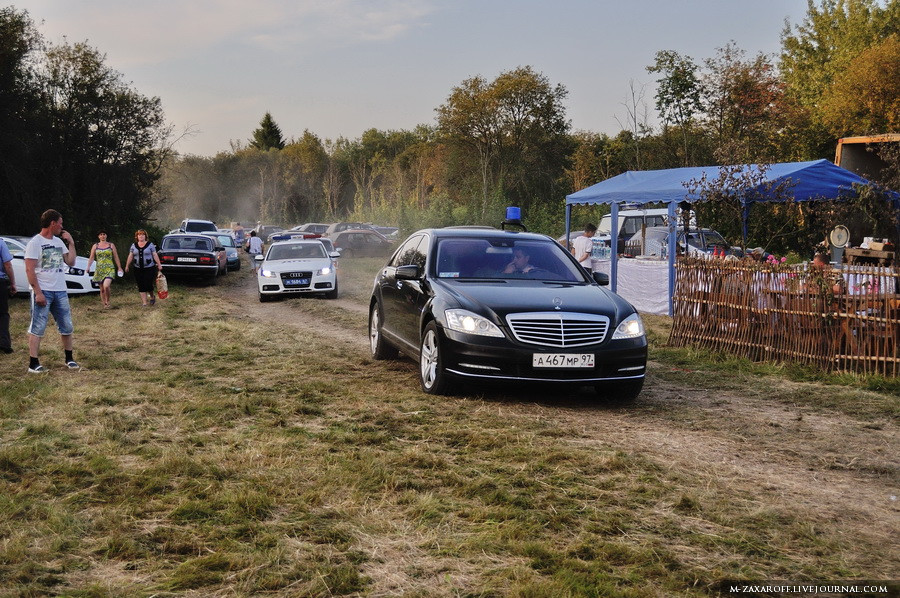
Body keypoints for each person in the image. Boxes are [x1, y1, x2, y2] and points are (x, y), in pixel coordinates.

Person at [24, 209, 78, 373]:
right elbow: (29, 270)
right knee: (38, 326)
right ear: (52, 223)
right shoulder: (35, 243)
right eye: (60, 223)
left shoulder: (58, 242)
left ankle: (69, 359)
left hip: (60, 290)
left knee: (66, 325)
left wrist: (71, 243)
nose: (62, 227)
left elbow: (71, 262)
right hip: (43, 291)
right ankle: (33, 363)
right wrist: (38, 292)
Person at [124, 229, 162, 306]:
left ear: (145, 236)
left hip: (149, 268)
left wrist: (159, 264)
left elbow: (154, 254)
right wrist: (127, 265)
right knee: (140, 284)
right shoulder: (133, 245)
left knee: (148, 284)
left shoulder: (150, 245)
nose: (141, 236)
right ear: (137, 236)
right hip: (137, 268)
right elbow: (130, 256)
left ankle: (152, 297)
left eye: (142, 234)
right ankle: (144, 302)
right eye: (139, 235)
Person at [86, 231, 123, 308]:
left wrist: (119, 267)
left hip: (109, 268)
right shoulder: (95, 246)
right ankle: (105, 304)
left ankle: (108, 301)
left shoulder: (111, 245)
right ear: (98, 236)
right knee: (102, 289)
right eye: (101, 234)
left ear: (106, 236)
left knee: (106, 286)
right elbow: (92, 257)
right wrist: (88, 267)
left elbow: (116, 257)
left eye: (104, 234)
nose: (102, 236)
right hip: (99, 269)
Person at [0, 239, 17, 354]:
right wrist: (12, 283)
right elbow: (7, 264)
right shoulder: (0, 243)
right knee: (2, 314)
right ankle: (4, 344)